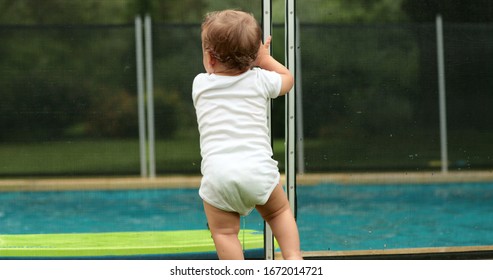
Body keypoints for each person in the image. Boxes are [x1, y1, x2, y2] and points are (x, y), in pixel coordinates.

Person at [192, 9, 302, 260]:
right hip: (257, 170)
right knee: (278, 213)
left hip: (219, 176)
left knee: (224, 233)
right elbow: (287, 78)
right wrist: (263, 59)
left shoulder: (200, 85)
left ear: (210, 59)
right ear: (253, 58)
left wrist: (251, 60)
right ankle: (294, 260)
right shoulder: (261, 80)